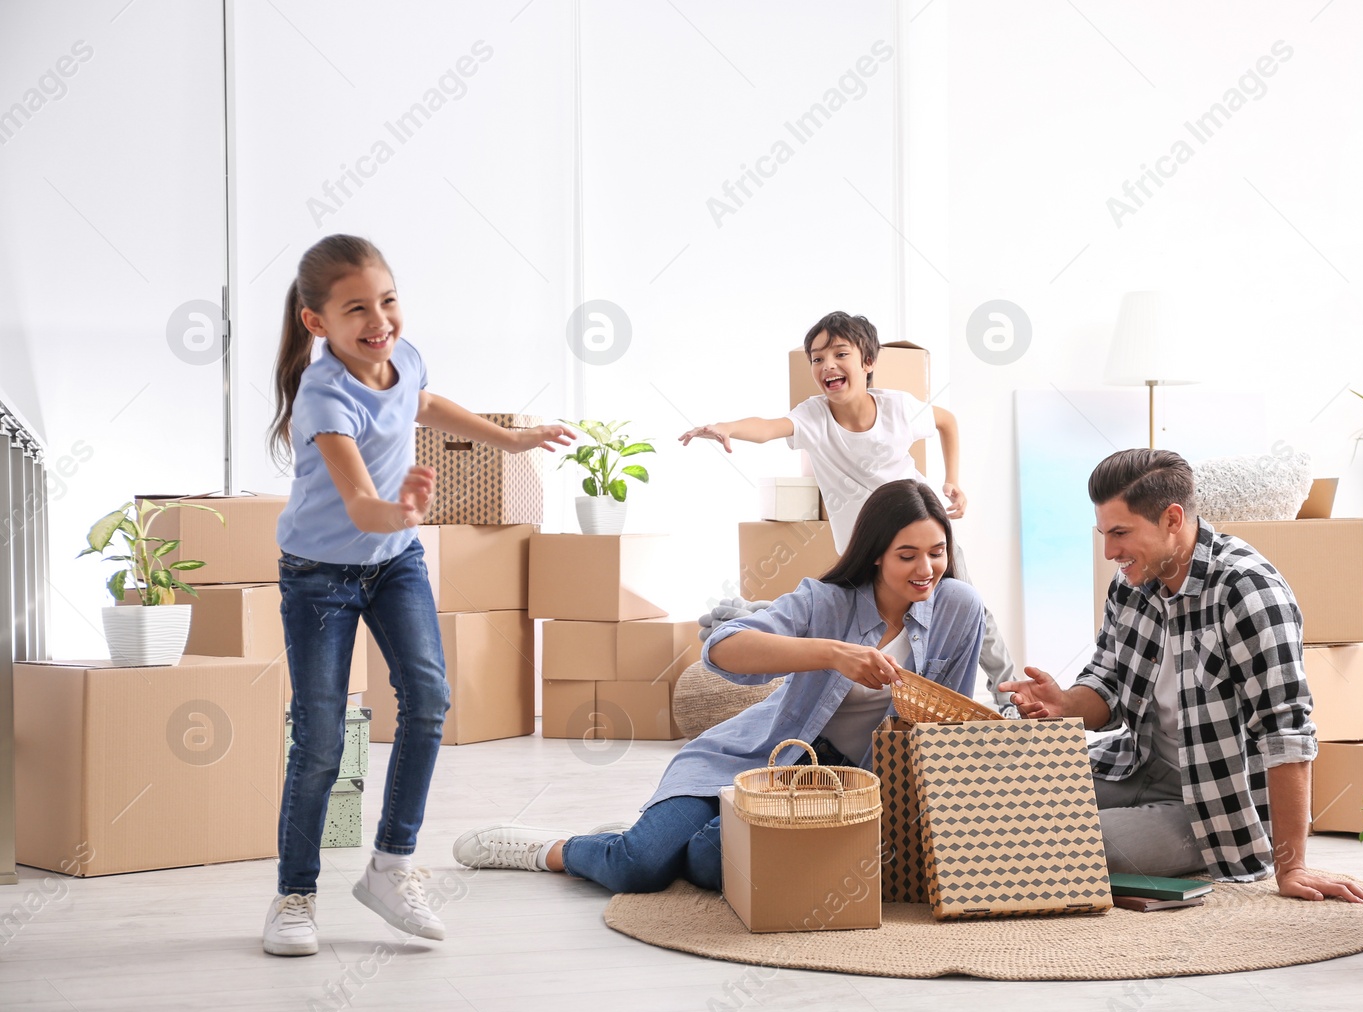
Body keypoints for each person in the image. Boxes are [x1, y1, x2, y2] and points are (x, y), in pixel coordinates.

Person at [262, 234, 574, 956]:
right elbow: (362, 504)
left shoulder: (404, 357)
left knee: (428, 699)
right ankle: (294, 893)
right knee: (319, 739)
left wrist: (510, 440)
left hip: (394, 561)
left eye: (389, 300)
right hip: (320, 574)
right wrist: (401, 512)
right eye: (357, 310)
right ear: (318, 323)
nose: (380, 320)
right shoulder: (323, 396)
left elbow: (424, 403)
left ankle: (391, 867)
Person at [451, 479, 986, 892]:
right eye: (907, 555)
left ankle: (658, 836)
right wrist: (832, 654)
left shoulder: (959, 608)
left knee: (710, 864)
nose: (926, 569)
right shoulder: (826, 603)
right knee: (638, 869)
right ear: (875, 552)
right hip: (756, 758)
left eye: (936, 551)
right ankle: (553, 848)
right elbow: (723, 647)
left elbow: (948, 725)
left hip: (845, 785)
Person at [1000, 448, 1363, 903]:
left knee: (1063, 844)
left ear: (1172, 520)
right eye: (1103, 534)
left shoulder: (1248, 592)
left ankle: (1193, 851)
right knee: (1007, 804)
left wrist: (1292, 867)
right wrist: (1064, 704)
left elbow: (1287, 733)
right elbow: (1107, 683)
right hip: (1137, 764)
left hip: (1216, 803)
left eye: (1120, 533)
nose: (1109, 552)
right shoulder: (1132, 582)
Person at [677, 310, 1017, 710]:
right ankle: (862, 702)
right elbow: (768, 427)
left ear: (868, 362)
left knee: (969, 607)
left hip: (920, 531)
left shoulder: (897, 409)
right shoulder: (813, 416)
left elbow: (947, 421)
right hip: (868, 541)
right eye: (818, 359)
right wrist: (728, 427)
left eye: (840, 354)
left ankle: (1007, 693)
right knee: (860, 615)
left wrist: (953, 479)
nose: (828, 366)